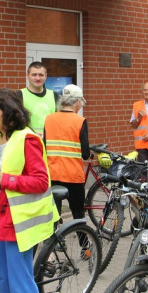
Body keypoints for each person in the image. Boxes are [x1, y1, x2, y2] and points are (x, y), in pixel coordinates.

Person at [0, 88, 59, 293]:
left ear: (7, 111)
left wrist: (7, 179)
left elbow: (41, 181)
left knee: (21, 284)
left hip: (18, 222)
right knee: (5, 283)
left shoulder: (27, 139)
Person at [43, 84, 90, 220]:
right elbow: (85, 154)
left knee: (54, 215)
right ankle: (81, 235)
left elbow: (45, 146)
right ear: (77, 102)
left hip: (53, 174)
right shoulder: (80, 121)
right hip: (73, 175)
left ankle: (55, 234)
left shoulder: (49, 119)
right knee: (78, 214)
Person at [19, 61, 56, 136]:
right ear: (27, 75)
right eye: (34, 75)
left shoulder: (55, 96)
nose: (38, 78)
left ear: (46, 76)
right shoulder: (19, 95)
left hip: (50, 140)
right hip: (28, 140)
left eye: (41, 75)